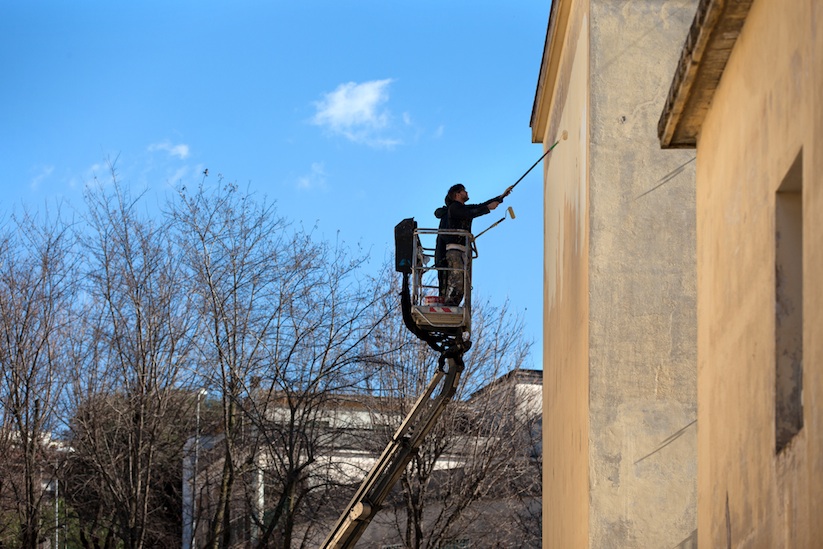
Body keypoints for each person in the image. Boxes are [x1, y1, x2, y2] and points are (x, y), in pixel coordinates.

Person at [436, 183, 513, 305]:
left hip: (461, 250)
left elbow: (479, 206)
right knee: (457, 282)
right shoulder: (454, 208)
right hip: (455, 250)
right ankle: (450, 304)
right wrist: (487, 208)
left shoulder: (462, 208)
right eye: (464, 191)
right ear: (457, 194)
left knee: (461, 283)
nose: (466, 193)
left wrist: (501, 196)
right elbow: (472, 213)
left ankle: (453, 304)